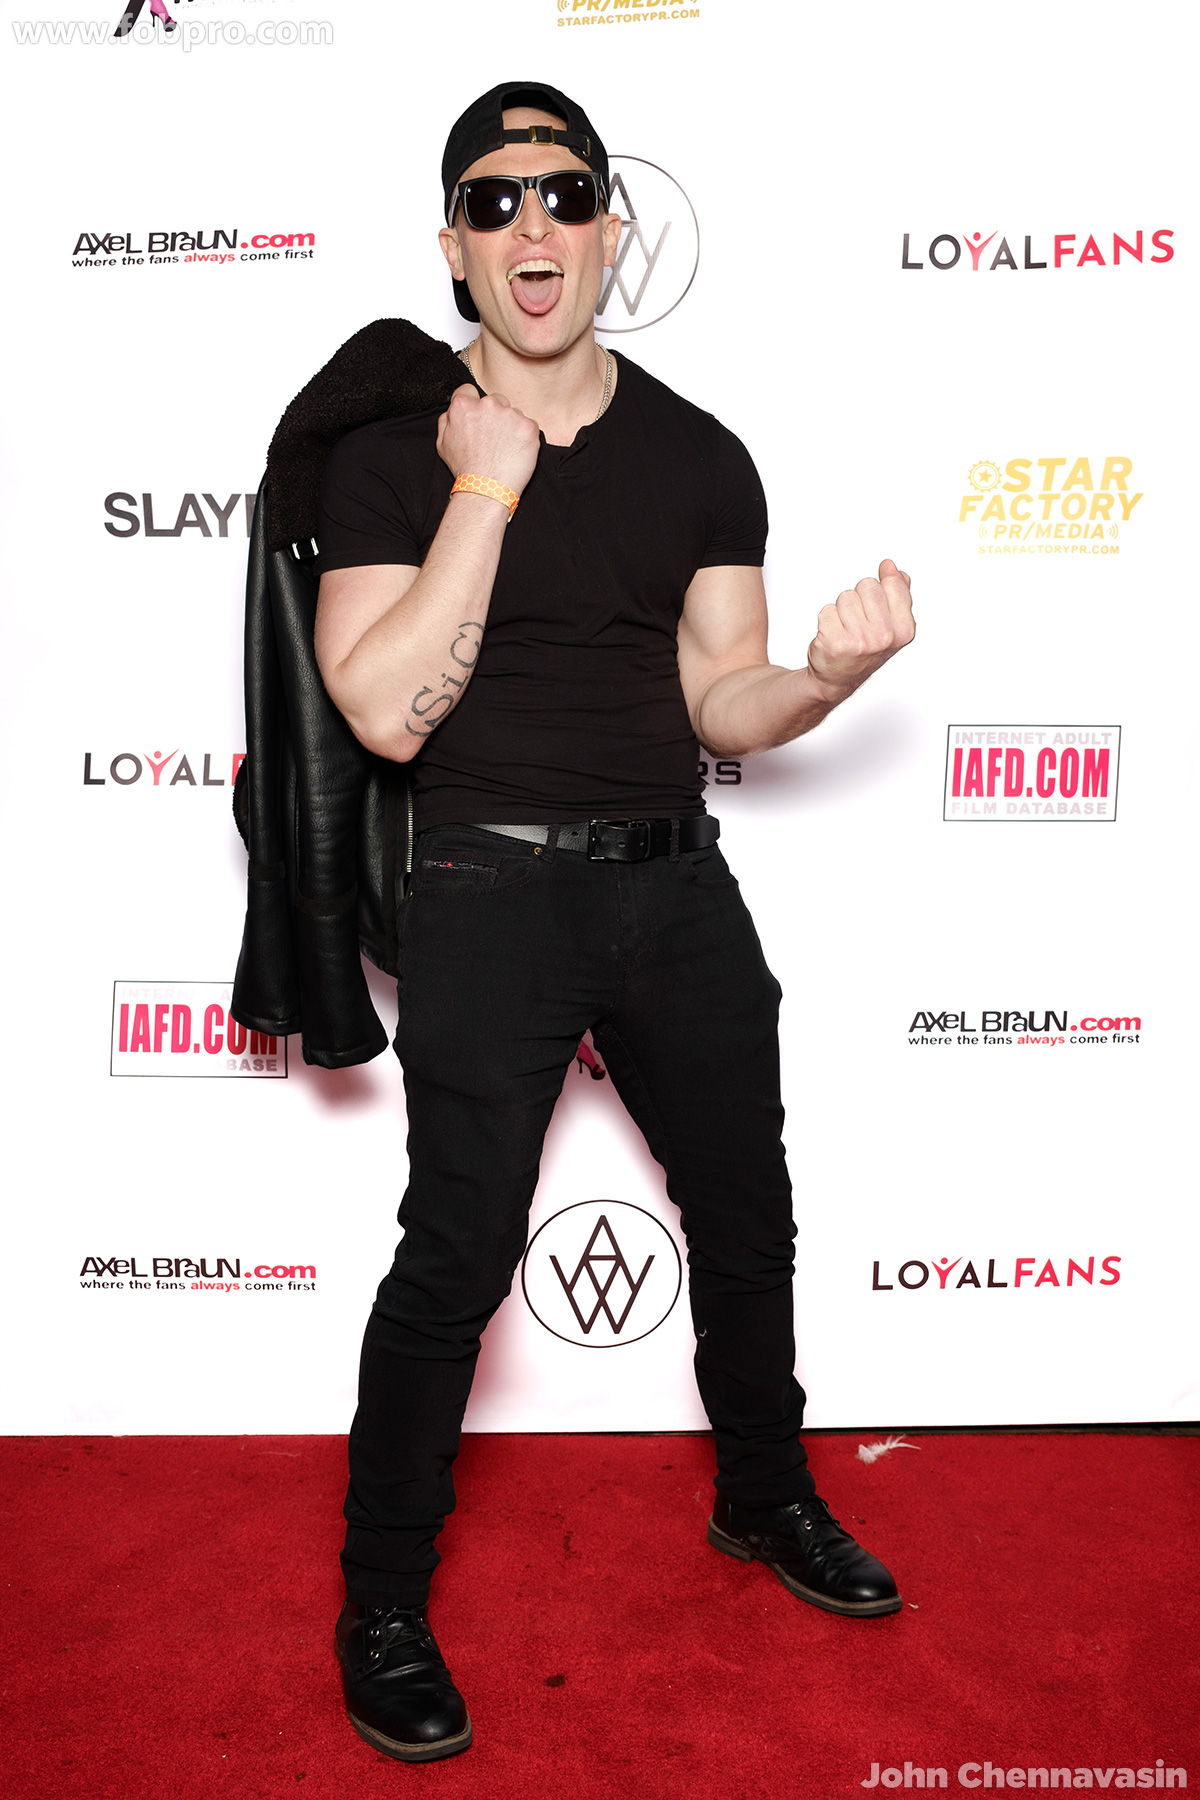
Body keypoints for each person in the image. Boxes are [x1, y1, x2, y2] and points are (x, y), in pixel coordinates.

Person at [313, 81, 915, 1764]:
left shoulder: (701, 454)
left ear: (609, 229)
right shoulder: (391, 452)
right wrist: (484, 489)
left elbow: (726, 700)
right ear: (454, 245)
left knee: (748, 1212)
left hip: (674, 884)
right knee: (456, 1255)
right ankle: (379, 1597)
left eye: (566, 194)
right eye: (495, 199)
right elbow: (382, 710)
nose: (535, 224)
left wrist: (822, 678)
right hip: (485, 887)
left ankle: (765, 1495)